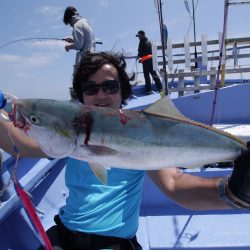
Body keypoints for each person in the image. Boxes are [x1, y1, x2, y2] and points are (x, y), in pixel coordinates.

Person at [0, 52, 250, 250]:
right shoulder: (68, 141)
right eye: (90, 88)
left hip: (112, 245)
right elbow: (21, 143)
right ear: (81, 96)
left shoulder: (140, 133)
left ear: (122, 92)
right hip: (63, 237)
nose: (100, 95)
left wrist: (232, 192)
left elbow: (175, 183)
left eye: (110, 87)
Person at [63, 6, 96, 72]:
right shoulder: (84, 22)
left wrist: (68, 46)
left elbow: (79, 45)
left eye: (69, 23)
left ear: (69, 19)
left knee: (81, 81)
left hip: (85, 61)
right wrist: (73, 40)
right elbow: (85, 40)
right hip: (92, 57)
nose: (70, 25)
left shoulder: (77, 25)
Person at [136, 30, 163, 95]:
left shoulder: (141, 41)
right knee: (154, 74)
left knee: (146, 75)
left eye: (139, 36)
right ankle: (160, 88)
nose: (138, 37)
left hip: (145, 60)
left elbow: (142, 52)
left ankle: (148, 90)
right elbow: (149, 52)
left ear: (142, 35)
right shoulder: (149, 41)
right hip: (151, 59)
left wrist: (140, 58)